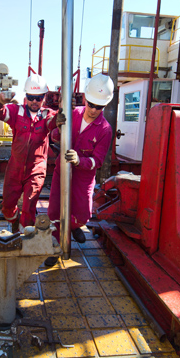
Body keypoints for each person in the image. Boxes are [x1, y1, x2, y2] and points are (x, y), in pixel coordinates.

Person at [45, 73, 114, 267]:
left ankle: (74, 226)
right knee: (54, 212)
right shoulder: (72, 115)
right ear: (85, 98)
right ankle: (56, 247)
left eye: (98, 107)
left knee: (83, 215)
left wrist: (79, 161)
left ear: (105, 105)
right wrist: (57, 128)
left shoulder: (105, 129)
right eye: (91, 104)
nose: (93, 110)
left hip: (83, 178)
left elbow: (98, 160)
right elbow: (56, 136)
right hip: (62, 171)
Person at [0, 74, 58, 232]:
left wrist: (63, 115)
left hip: (36, 170)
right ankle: (13, 219)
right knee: (7, 206)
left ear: (43, 97)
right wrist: (0, 101)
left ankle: (24, 237)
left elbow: (53, 122)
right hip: (15, 169)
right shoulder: (16, 112)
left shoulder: (47, 115)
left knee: (29, 205)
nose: (34, 101)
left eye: (38, 98)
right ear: (26, 96)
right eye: (31, 97)